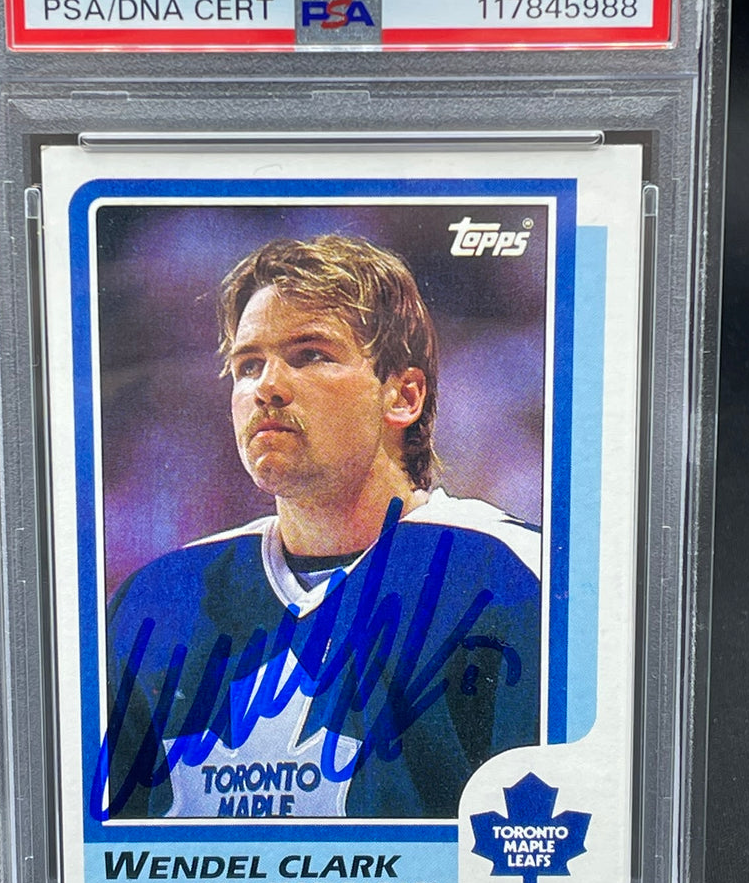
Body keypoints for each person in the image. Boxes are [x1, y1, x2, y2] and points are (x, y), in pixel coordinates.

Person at [100, 234, 541, 822]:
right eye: (248, 365)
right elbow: (100, 856)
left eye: (310, 355)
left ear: (403, 395)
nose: (266, 387)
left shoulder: (513, 577)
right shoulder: (159, 599)